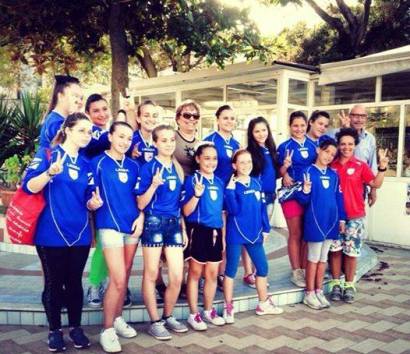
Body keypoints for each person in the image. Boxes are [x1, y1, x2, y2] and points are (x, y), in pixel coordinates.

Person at [23, 113, 102, 352]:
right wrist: (49, 174)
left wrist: (93, 203)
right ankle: (54, 331)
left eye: (89, 132)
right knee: (55, 284)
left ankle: (76, 328)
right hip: (50, 234)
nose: (87, 136)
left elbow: (89, 193)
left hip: (79, 233)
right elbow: (28, 187)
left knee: (75, 284)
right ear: (67, 130)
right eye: (81, 130)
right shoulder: (48, 155)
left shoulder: (87, 163)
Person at [93, 122, 143, 353]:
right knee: (118, 278)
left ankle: (118, 319)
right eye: (120, 136)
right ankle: (107, 330)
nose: (124, 141)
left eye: (128, 138)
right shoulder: (98, 163)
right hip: (109, 226)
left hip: (132, 227)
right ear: (110, 136)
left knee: (125, 274)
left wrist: (140, 217)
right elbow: (88, 196)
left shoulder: (134, 165)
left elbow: (140, 197)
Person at [136, 125, 188, 340]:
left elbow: (179, 204)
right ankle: (155, 321)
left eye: (171, 140)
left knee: (176, 276)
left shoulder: (177, 168)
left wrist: (183, 228)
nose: (168, 144)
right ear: (155, 143)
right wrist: (154, 186)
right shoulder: (149, 168)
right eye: (164, 140)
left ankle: (168, 315)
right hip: (154, 222)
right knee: (150, 274)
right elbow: (140, 203)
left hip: (174, 223)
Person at [329, 128, 389, 303]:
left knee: (352, 252)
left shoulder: (360, 165)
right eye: (343, 144)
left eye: (350, 144)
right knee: (335, 251)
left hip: (355, 217)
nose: (346, 147)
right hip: (334, 217)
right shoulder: (331, 166)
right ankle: (335, 284)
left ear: (355, 145)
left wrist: (383, 167)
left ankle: (349, 285)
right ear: (338, 146)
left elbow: (375, 184)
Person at [223, 149, 283, 323]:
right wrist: (230, 191)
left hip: (254, 234)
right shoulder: (231, 186)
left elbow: (262, 209)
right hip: (236, 234)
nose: (246, 165)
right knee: (231, 270)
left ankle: (263, 303)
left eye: (248, 161)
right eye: (241, 162)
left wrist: (265, 229)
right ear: (234, 165)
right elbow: (233, 211)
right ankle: (228, 306)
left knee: (262, 268)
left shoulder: (256, 183)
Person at [295, 139, 346, 310]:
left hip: (331, 221)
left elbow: (338, 198)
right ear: (318, 150)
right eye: (326, 152)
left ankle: (318, 291)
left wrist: (342, 219)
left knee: (323, 259)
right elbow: (302, 200)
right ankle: (309, 293)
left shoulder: (333, 175)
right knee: (313, 258)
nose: (329, 156)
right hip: (315, 221)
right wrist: (306, 190)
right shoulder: (308, 171)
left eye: (332, 154)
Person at [183, 143, 226, 330]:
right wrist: (197, 195)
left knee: (212, 274)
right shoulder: (192, 180)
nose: (211, 162)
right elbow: (185, 210)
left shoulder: (219, 182)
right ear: (198, 159)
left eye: (214, 158)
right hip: (198, 231)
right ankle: (193, 314)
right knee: (194, 274)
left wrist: (223, 236)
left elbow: (222, 212)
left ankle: (208, 310)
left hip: (216, 232)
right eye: (207, 158)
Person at [277, 111, 317, 288]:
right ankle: (296, 271)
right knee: (295, 233)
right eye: (295, 125)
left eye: (302, 125)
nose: (299, 129)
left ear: (307, 125)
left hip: (309, 194)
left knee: (306, 233)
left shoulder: (314, 146)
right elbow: (277, 172)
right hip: (291, 195)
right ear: (290, 126)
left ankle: (304, 267)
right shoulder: (284, 146)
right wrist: (284, 171)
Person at [204, 105, 240, 290]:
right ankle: (207, 275)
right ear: (217, 119)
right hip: (213, 195)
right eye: (225, 118)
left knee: (227, 237)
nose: (229, 122)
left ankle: (221, 274)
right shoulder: (209, 140)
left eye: (232, 118)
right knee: (214, 235)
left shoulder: (237, 144)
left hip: (230, 195)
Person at [244, 116, 279, 288]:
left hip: (270, 196)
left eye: (263, 130)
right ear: (251, 133)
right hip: (256, 198)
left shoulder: (270, 149)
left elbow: (273, 174)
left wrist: (285, 167)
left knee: (262, 236)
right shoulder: (249, 152)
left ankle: (257, 271)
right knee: (253, 235)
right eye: (256, 131)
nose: (260, 133)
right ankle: (249, 273)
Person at [335, 105, 378, 206]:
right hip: (337, 185)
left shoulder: (370, 139)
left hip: (359, 188)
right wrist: (344, 129)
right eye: (355, 116)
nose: (359, 120)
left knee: (355, 219)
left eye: (362, 116)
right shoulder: (337, 134)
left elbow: (372, 165)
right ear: (349, 117)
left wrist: (373, 190)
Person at [39, 75, 83, 148]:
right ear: (60, 96)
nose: (80, 101)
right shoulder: (56, 123)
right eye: (75, 96)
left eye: (81, 98)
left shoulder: (57, 120)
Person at [174, 100, 201, 176]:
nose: (192, 119)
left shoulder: (200, 144)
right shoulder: (171, 137)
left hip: (193, 185)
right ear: (178, 119)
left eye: (195, 116)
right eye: (187, 115)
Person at [127, 100, 158, 165]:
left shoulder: (160, 140)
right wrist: (131, 156)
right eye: (146, 116)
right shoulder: (130, 139)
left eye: (154, 116)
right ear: (138, 119)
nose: (151, 119)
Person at [82, 94, 111, 159]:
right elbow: (114, 139)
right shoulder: (88, 131)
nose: (102, 114)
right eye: (96, 111)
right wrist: (122, 113)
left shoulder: (108, 130)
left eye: (105, 109)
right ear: (87, 113)